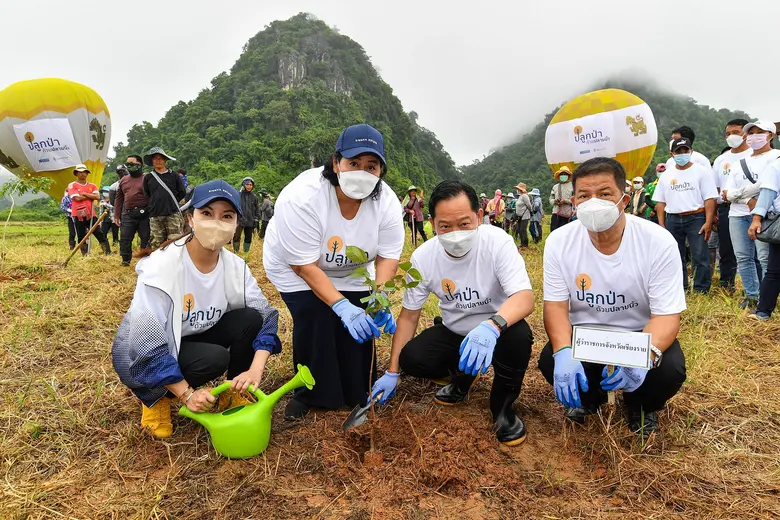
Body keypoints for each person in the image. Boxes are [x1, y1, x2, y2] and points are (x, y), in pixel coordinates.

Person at [111, 180, 281, 438]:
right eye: (207, 214)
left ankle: (235, 391)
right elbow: (145, 344)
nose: (216, 223)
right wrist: (187, 394)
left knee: (249, 317)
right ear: (190, 218)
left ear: (236, 224)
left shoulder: (235, 267)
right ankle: (157, 399)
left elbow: (265, 317)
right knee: (214, 359)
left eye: (227, 216)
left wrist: (256, 369)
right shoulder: (162, 267)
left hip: (196, 335)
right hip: (152, 347)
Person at [370, 180, 535, 445]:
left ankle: (503, 408)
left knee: (518, 338)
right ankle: (460, 378)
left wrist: (492, 327)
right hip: (455, 329)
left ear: (479, 217)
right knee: (413, 358)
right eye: (445, 226)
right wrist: (392, 372)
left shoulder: (497, 243)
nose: (455, 232)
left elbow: (524, 297)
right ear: (432, 223)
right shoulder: (424, 258)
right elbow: (409, 316)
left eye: (464, 223)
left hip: (498, 328)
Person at [262, 124, 404, 420]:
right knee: (315, 316)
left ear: (381, 171)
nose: (362, 172)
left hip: (351, 267)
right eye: (353, 163)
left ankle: (357, 389)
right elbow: (303, 265)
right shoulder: (302, 197)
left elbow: (388, 258)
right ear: (336, 162)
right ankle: (311, 393)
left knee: (361, 321)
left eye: (371, 166)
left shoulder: (387, 203)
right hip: (295, 265)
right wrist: (340, 306)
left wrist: (379, 298)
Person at [539, 157, 687, 438]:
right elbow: (556, 307)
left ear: (625, 199)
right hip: (586, 333)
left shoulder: (658, 241)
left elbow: (666, 315)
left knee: (669, 369)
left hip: (638, 332)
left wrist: (646, 353)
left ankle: (641, 405)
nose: (594, 202)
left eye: (605, 194)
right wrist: (563, 352)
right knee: (551, 359)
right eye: (584, 195)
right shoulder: (559, 242)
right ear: (573, 201)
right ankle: (588, 400)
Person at [723, 120, 780, 309]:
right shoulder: (740, 163)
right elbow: (726, 193)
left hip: (766, 215)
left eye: (759, 132)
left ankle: (767, 300)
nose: (754, 136)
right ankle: (752, 296)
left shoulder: (776, 157)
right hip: (737, 215)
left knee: (765, 259)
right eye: (752, 132)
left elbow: (765, 185)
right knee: (743, 258)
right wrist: (747, 200)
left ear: (771, 135)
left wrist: (737, 195)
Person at [653, 138, 718, 293]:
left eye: (685, 151)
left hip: (696, 217)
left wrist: (708, 221)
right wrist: (661, 225)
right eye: (678, 151)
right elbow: (660, 203)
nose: (682, 154)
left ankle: (701, 290)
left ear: (691, 152)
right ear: (672, 154)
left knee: (699, 255)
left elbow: (710, 199)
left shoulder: (701, 172)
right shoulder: (667, 175)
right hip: (673, 219)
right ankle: (680, 288)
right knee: (675, 256)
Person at [710, 119, 750, 291]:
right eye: (728, 133)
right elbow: (714, 190)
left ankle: (757, 290)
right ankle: (727, 285)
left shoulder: (754, 155)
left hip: (753, 208)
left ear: (746, 134)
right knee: (726, 250)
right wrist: (711, 215)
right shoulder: (721, 160)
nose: (731, 136)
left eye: (736, 132)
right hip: (728, 209)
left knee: (754, 253)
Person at [748, 155, 780, 321]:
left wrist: (756, 218)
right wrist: (756, 218)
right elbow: (767, 194)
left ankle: (763, 311)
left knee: (774, 270)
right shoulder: (777, 165)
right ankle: (763, 311)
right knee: (775, 269)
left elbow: (768, 193)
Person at [143, 147, 186, 249]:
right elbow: (147, 194)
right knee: (156, 244)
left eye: (161, 158)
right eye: (155, 158)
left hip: (172, 214)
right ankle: (159, 264)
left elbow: (182, 192)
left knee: (175, 242)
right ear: (152, 160)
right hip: (155, 216)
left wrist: (171, 202)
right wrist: (155, 204)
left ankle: (175, 264)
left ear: (165, 160)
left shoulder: (174, 175)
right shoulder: (148, 177)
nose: (158, 160)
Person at [66, 164, 111, 256]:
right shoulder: (72, 185)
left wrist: (84, 194)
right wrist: (90, 196)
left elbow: (97, 197)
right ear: (76, 173)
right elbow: (77, 198)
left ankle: (107, 252)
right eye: (81, 172)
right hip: (78, 215)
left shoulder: (92, 185)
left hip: (91, 214)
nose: (83, 174)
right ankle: (84, 254)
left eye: (85, 172)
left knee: (99, 233)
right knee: (81, 235)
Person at [114, 154, 151, 266]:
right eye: (128, 164)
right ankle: (125, 260)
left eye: (132, 164)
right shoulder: (124, 180)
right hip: (128, 213)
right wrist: (116, 215)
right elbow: (118, 198)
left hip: (145, 213)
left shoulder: (148, 178)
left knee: (146, 238)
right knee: (125, 238)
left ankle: (145, 260)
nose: (129, 166)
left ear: (140, 165)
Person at [232, 177, 260, 253]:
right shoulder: (238, 195)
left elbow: (257, 209)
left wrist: (256, 219)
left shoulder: (254, 197)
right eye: (247, 184)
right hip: (239, 220)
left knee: (248, 238)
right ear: (244, 185)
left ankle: (246, 252)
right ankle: (236, 252)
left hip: (250, 220)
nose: (249, 186)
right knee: (236, 236)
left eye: (251, 185)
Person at [550, 166, 574, 232]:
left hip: (567, 215)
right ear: (559, 176)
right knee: (554, 232)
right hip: (556, 213)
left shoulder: (573, 186)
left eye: (565, 174)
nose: (563, 176)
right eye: (562, 174)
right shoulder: (555, 187)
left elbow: (576, 200)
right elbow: (551, 199)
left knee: (565, 233)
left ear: (568, 176)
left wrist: (565, 201)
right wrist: (555, 201)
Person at [514, 183, 533, 247]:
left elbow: (529, 205)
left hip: (524, 216)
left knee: (523, 230)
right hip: (520, 216)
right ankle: (522, 243)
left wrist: (530, 211)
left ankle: (525, 244)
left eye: (518, 189)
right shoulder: (520, 196)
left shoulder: (525, 196)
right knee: (519, 229)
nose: (517, 190)